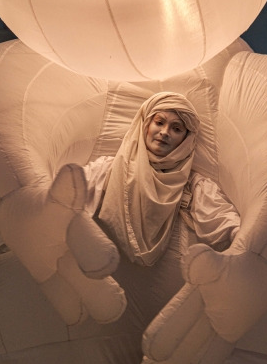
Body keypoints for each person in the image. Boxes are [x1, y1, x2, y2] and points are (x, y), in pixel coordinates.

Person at [80, 91, 240, 266]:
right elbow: (69, 194)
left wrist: (243, 239)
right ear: (146, 124)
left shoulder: (193, 186)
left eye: (176, 128)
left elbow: (224, 222)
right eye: (159, 122)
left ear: (186, 139)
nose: (165, 132)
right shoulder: (109, 169)